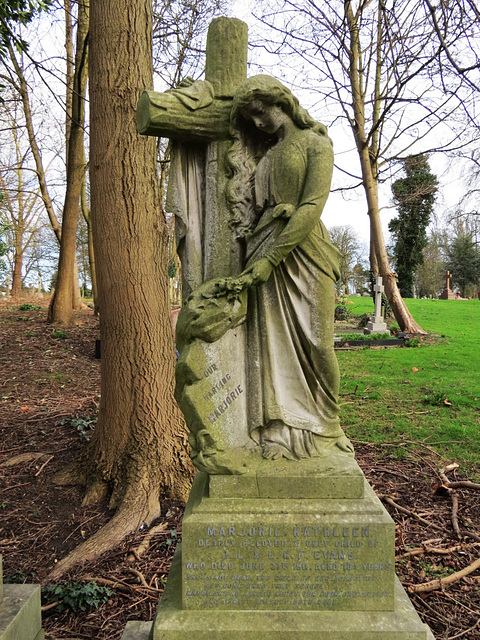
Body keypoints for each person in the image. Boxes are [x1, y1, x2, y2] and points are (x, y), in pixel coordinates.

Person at [225, 75, 353, 461]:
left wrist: (269, 257)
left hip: (304, 252)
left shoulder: (316, 143)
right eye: (253, 119)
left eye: (262, 113)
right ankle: (279, 428)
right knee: (272, 346)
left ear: (282, 102)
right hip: (266, 254)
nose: (260, 123)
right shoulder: (267, 155)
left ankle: (329, 425)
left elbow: (312, 208)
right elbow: (265, 207)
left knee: (319, 344)